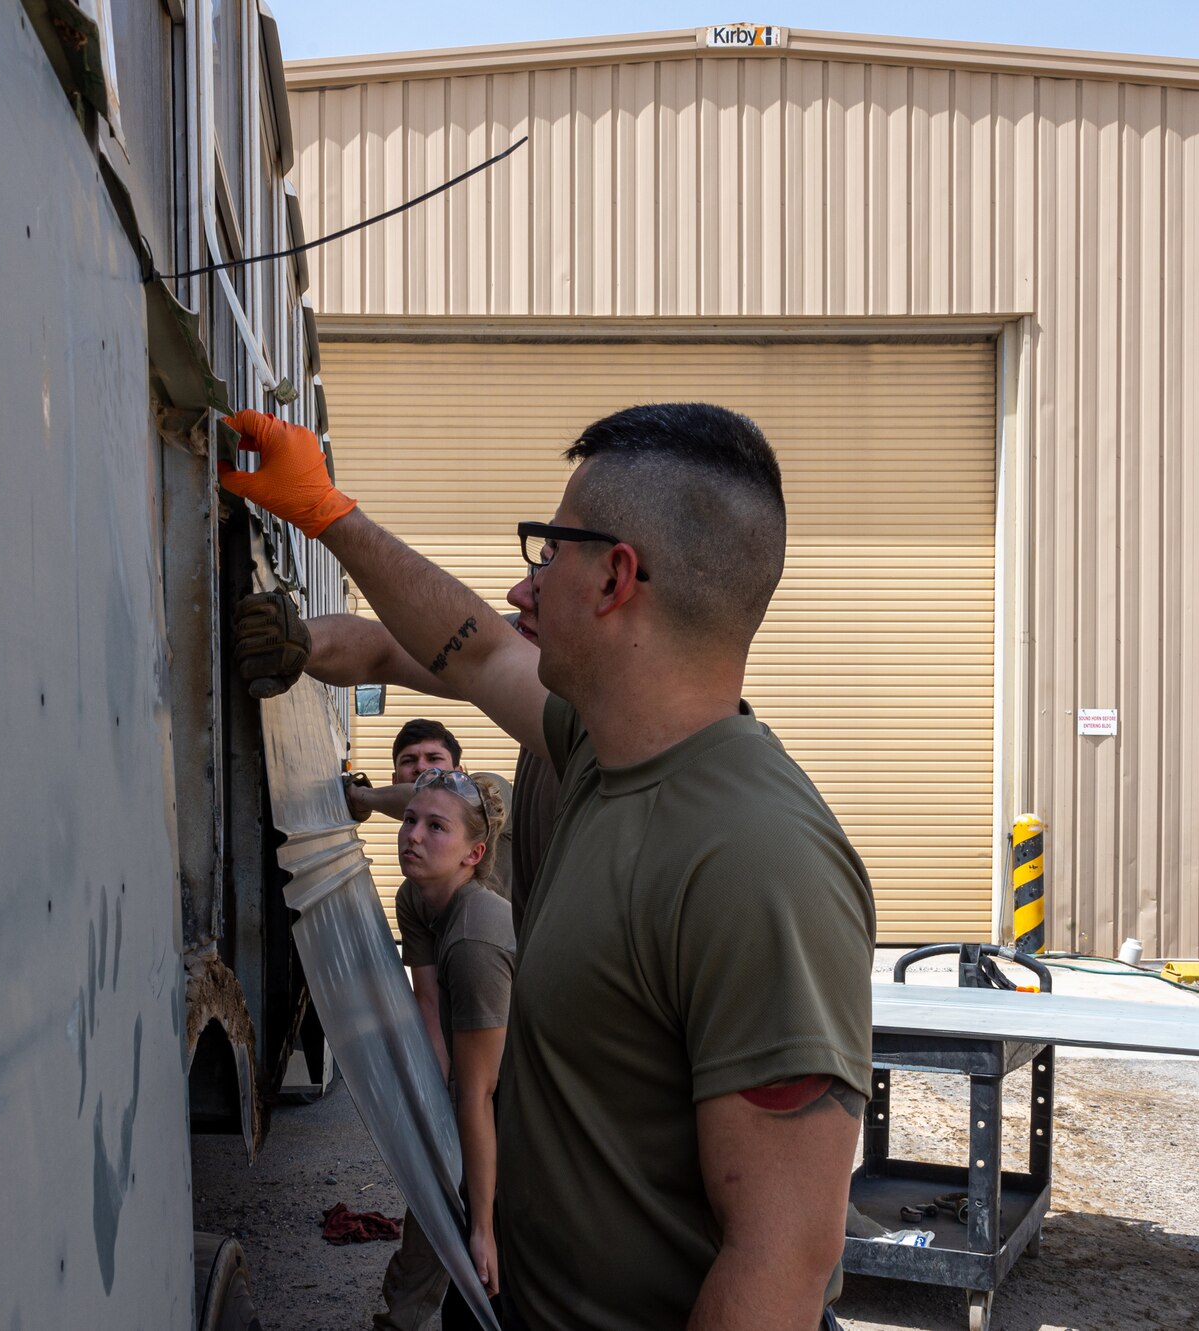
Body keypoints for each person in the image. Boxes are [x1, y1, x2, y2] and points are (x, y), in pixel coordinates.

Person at [219, 402, 876, 1331]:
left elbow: (781, 1260)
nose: (524, 591)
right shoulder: (599, 749)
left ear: (614, 578)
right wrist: (327, 512)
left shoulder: (761, 862)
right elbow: (474, 643)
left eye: (547, 551)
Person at [234, 596, 560, 935]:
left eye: (435, 763)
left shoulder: (491, 793)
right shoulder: (413, 897)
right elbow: (382, 648)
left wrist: (363, 798)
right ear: (395, 778)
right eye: (410, 762)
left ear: (463, 773)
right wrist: (301, 641)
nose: (421, 770)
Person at [379, 769, 515, 1331]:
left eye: (437, 827)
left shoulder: (475, 938)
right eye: (411, 819)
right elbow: (429, 1003)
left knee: (485, 1270)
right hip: (482, 1088)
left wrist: (481, 1224)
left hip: (523, 1103)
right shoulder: (419, 898)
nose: (413, 835)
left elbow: (480, 1092)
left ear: (473, 853)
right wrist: (431, 1117)